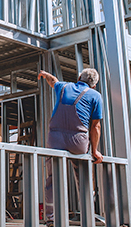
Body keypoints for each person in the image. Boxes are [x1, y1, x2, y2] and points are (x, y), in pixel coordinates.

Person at [38, 68, 104, 225]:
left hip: (55, 139)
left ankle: (52, 219)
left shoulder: (64, 87)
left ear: (79, 77)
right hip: (78, 140)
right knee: (84, 176)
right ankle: (88, 216)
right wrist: (94, 151)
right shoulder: (95, 95)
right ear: (94, 85)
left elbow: (53, 81)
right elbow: (96, 126)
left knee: (52, 179)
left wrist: (45, 74)